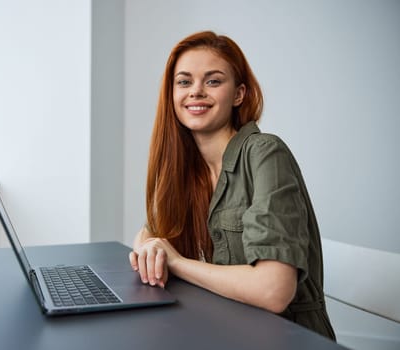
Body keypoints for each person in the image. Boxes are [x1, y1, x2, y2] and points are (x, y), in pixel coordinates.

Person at [128, 30, 336, 341]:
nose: (196, 91)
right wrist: (149, 247)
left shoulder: (265, 153)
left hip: (287, 339)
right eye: (184, 82)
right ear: (172, 95)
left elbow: (273, 290)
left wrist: (176, 263)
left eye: (213, 81)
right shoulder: (190, 169)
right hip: (228, 333)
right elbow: (152, 231)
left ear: (238, 94)